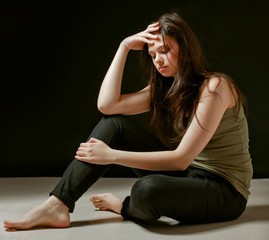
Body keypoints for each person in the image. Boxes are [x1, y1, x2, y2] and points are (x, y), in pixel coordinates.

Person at [4, 11, 253, 230]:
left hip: (224, 191)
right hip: (190, 176)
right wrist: (123, 47)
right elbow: (107, 105)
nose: (158, 60)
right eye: (153, 54)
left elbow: (180, 160)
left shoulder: (215, 87)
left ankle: (124, 206)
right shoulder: (166, 89)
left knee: (146, 191)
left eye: (165, 50)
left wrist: (112, 156)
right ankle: (57, 204)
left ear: (185, 50)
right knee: (114, 125)